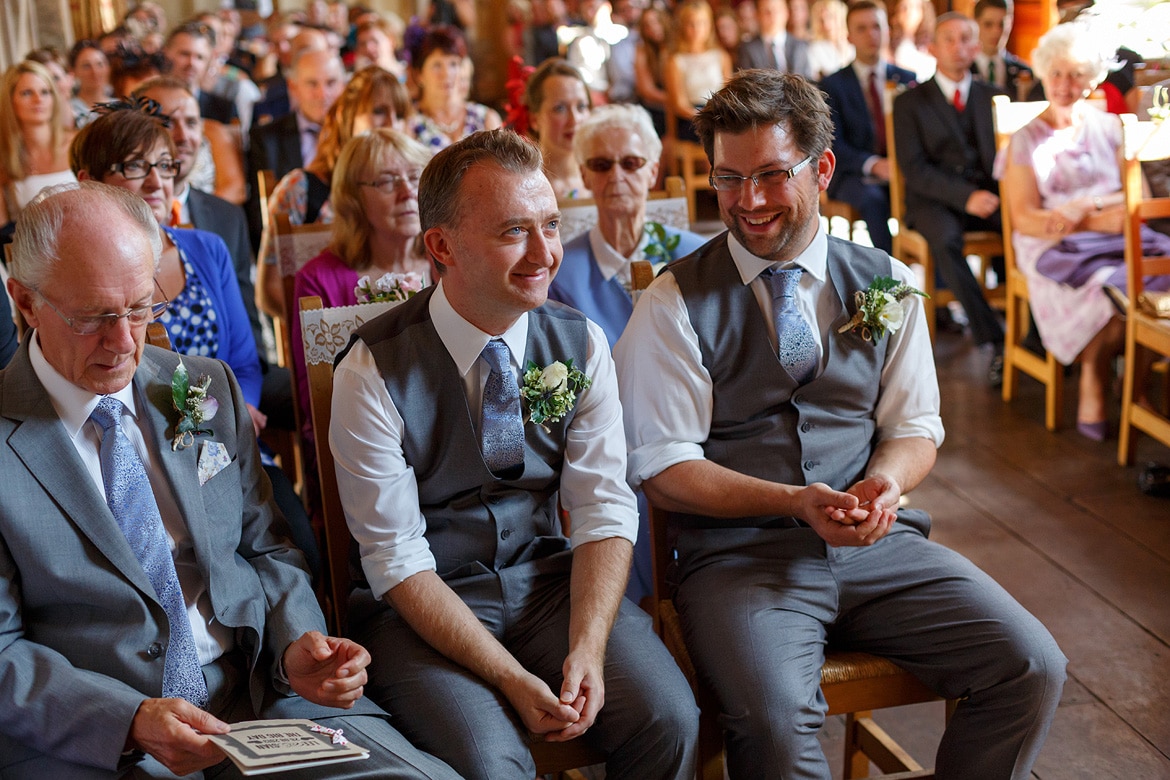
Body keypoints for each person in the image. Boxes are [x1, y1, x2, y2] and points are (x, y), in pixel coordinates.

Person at [614, 68, 1067, 780]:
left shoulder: (885, 279)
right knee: (771, 718)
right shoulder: (672, 302)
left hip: (878, 552)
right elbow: (665, 470)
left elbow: (915, 426)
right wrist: (793, 501)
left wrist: (886, 483)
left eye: (771, 175)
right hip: (740, 563)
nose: (749, 202)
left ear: (823, 168)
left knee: (1030, 665)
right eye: (728, 179)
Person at [0, 179, 462, 780]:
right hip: (100, 740)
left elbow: (265, 548)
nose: (122, 342)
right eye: (92, 318)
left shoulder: (200, 386)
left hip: (257, 696)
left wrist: (298, 645)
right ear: (25, 303)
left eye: (141, 308)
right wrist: (130, 718)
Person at [329, 129, 699, 780]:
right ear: (441, 245)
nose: (544, 254)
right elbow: (394, 558)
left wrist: (586, 647)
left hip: (550, 591)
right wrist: (511, 677)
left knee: (669, 718)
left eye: (551, 225)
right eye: (513, 232)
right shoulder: (372, 368)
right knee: (490, 763)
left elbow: (604, 509)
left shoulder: (579, 343)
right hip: (423, 607)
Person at [548, 103, 707, 604]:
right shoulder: (557, 270)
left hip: (691, 434)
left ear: (654, 171)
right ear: (585, 176)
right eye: (600, 164)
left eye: (631, 163)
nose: (616, 175)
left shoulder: (696, 256)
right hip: (604, 443)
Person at [996, 23, 1170, 441]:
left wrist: (1087, 207)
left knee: (1157, 274)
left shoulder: (1111, 127)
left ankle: (1137, 383)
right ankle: (1095, 368)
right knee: (1110, 288)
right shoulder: (1023, 142)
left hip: (1117, 236)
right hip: (1051, 246)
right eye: (1056, 73)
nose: (1065, 84)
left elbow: (1139, 193)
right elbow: (1026, 219)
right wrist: (1093, 218)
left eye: (1075, 74)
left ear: (1092, 78)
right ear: (1042, 74)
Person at [292, 127, 432, 442]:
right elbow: (315, 400)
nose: (408, 192)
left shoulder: (449, 263)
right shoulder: (318, 280)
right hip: (359, 438)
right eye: (386, 182)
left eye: (415, 176)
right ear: (353, 199)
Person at [893, 12, 1005, 384]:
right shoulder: (910, 102)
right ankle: (995, 339)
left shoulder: (993, 97)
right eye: (950, 39)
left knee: (1022, 228)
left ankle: (1037, 335)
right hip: (933, 200)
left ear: (977, 47)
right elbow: (914, 169)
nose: (959, 47)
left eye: (966, 39)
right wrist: (965, 196)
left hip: (987, 197)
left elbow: (1005, 161)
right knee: (945, 238)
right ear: (933, 47)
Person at [257, 66, 411, 319]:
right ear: (348, 118)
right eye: (379, 111)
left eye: (401, 114)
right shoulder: (300, 189)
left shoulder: (415, 190)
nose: (393, 124)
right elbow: (270, 292)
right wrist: (328, 332)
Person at [820, 0, 916, 254]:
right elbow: (833, 145)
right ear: (849, 36)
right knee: (874, 200)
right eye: (861, 28)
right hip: (853, 174)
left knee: (928, 195)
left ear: (887, 30)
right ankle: (892, 270)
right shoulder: (832, 85)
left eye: (876, 26)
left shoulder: (908, 79)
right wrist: (874, 164)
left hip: (902, 172)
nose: (871, 34)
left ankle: (937, 279)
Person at [247, 46, 346, 251]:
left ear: (344, 85)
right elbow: (259, 215)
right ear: (293, 87)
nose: (323, 94)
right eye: (312, 84)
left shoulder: (357, 136)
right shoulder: (267, 139)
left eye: (331, 83)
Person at [0, 60, 77, 239]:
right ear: (10, 100)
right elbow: (2, 229)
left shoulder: (78, 143)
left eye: (45, 92)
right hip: (31, 254)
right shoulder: (4, 158)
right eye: (27, 93)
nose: (38, 99)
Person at [409, 26, 503, 152]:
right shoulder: (411, 124)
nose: (447, 74)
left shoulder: (486, 118)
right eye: (437, 65)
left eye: (453, 64)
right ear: (419, 74)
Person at [665, 0, 733, 144]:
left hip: (718, 113)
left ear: (709, 25)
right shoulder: (676, 60)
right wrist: (705, 117)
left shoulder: (721, 56)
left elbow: (728, 93)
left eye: (702, 22)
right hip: (691, 119)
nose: (696, 28)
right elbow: (679, 104)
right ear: (683, 26)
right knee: (712, 135)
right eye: (691, 23)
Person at [525, 59, 593, 201]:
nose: (574, 120)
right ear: (534, 120)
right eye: (560, 108)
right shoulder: (524, 184)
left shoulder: (602, 175)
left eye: (581, 107)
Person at [163, 21, 237, 125]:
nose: (192, 63)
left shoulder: (224, 110)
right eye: (184, 54)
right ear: (166, 53)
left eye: (200, 57)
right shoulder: (149, 104)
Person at [972, 0, 1032, 100]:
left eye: (1002, 24)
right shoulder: (963, 71)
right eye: (988, 24)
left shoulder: (1023, 72)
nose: (996, 32)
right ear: (975, 23)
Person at [736, 0, 813, 78]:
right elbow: (745, 83)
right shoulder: (747, 49)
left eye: (777, 10)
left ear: (786, 12)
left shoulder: (800, 46)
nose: (772, 15)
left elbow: (808, 81)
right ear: (757, 15)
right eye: (766, 11)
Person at [805, 0, 853, 81]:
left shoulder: (853, 43)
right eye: (821, 20)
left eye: (830, 17)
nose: (826, 24)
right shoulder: (814, 48)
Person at [68, 39, 113, 126]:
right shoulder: (70, 110)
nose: (95, 72)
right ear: (73, 71)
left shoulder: (121, 107)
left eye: (100, 64)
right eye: (86, 66)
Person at [890, 0, 935, 80]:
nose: (908, 12)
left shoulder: (931, 45)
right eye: (904, 7)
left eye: (914, 7)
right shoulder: (887, 41)